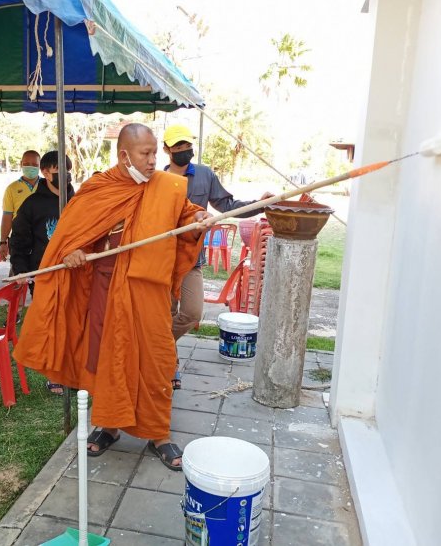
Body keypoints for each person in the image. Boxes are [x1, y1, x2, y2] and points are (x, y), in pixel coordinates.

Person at [14, 124, 211, 471]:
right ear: (124, 155)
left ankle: (159, 434)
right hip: (106, 286)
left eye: (154, 153)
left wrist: (198, 219)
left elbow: (186, 215)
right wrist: (73, 251)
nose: (153, 161)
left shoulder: (167, 187)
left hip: (149, 288)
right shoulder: (98, 189)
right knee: (108, 356)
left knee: (157, 358)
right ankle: (109, 425)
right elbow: (72, 234)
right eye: (145, 154)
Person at [163, 124, 273, 389]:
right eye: (178, 146)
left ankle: (160, 347)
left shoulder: (204, 175)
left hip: (192, 260)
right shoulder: (158, 180)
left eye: (187, 145)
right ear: (167, 150)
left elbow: (227, 205)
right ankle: (168, 365)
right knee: (165, 314)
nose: (184, 150)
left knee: (191, 313)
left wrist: (259, 204)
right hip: (164, 259)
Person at [9, 150, 75, 395]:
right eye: (59, 172)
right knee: (51, 323)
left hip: (75, 273)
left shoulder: (78, 201)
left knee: (73, 321)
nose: (65, 177)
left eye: (68, 172)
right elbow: (20, 240)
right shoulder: (32, 205)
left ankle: (72, 368)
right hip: (44, 274)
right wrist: (23, 269)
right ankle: (53, 373)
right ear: (46, 172)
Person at [0, 150, 42, 260]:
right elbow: (7, 216)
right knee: (19, 274)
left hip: (43, 239)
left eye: (35, 165)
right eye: (27, 164)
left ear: (40, 165)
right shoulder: (11, 189)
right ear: (21, 164)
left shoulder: (47, 186)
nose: (30, 167)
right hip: (20, 239)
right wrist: (3, 242)